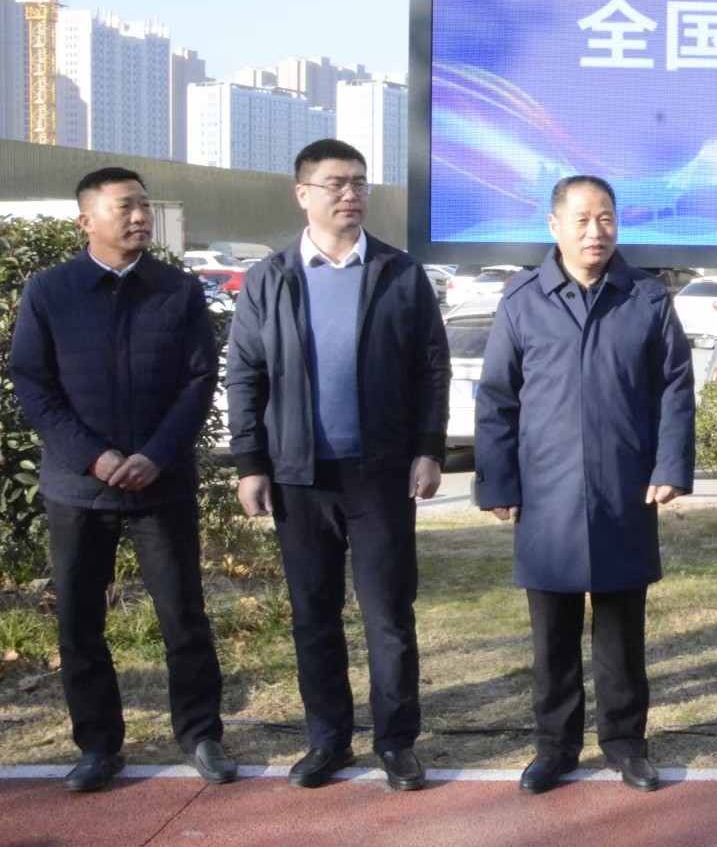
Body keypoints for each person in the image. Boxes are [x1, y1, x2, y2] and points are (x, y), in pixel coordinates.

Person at [227, 140, 450, 791]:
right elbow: (245, 374)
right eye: (335, 183)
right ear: (303, 194)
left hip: (379, 474)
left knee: (389, 615)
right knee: (313, 616)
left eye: (359, 182)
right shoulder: (270, 278)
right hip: (299, 475)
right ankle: (327, 740)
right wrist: (250, 462)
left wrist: (429, 449)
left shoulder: (398, 273)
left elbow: (430, 368)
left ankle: (396, 742)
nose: (350, 194)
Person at [9, 168, 234, 793]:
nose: (140, 217)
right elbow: (33, 382)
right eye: (125, 207)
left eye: (144, 206)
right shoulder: (50, 291)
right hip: (78, 488)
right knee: (80, 622)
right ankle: (97, 746)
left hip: (161, 485)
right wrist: (93, 458)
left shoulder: (177, 290)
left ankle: (201, 734)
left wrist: (157, 455)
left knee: (182, 615)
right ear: (87, 220)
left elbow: (199, 380)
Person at [476, 175, 695, 794]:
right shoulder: (522, 299)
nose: (596, 232)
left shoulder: (646, 298)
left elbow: (675, 388)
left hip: (624, 488)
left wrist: (669, 466)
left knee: (622, 632)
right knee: (552, 634)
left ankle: (626, 743)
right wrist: (498, 482)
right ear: (554, 226)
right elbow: (497, 397)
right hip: (546, 493)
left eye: (606, 219)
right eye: (582, 220)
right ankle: (555, 747)